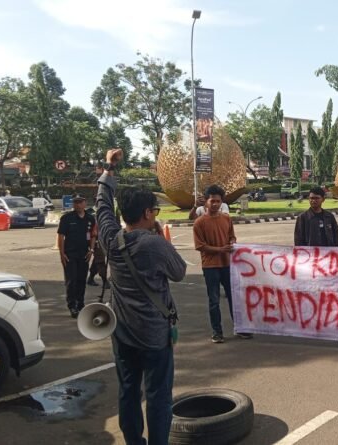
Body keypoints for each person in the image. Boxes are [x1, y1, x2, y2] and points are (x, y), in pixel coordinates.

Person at [96, 148, 187, 445]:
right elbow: (179, 272)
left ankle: (135, 441)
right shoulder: (153, 245)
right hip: (154, 335)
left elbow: (102, 209)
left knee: (128, 391)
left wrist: (109, 170)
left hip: (121, 332)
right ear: (148, 213)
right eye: (155, 211)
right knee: (159, 395)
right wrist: (160, 236)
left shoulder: (111, 239)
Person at [193, 184, 251, 343]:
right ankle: (217, 332)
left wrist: (232, 242)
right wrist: (220, 249)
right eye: (212, 201)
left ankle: (240, 328)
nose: (215, 204)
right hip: (210, 266)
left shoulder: (226, 218)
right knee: (214, 300)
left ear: (222, 202)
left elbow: (232, 236)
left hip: (228, 265)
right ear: (206, 202)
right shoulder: (199, 222)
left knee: (234, 298)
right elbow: (200, 246)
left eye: (218, 201)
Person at [57, 194, 95, 318]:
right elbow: (61, 236)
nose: (78, 204)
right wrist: (62, 253)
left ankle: (80, 304)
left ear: (85, 203)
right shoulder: (67, 218)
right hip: (70, 254)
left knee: (81, 280)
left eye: (80, 202)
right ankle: (72, 305)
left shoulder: (90, 218)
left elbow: (93, 235)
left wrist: (92, 250)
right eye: (76, 202)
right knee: (71, 281)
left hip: (84, 254)